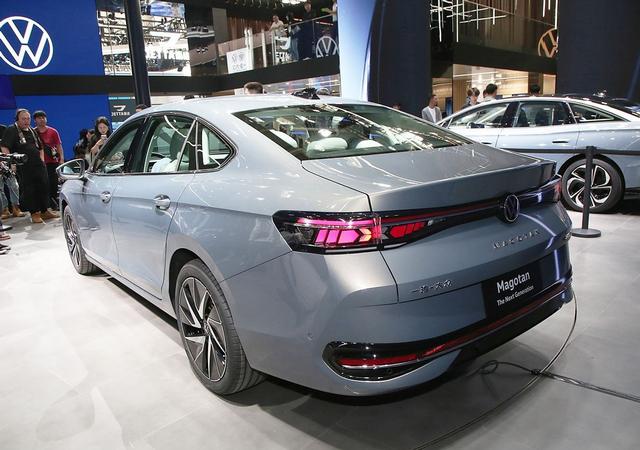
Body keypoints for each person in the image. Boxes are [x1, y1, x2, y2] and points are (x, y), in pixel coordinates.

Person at [0, 109, 59, 224]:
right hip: (24, 166)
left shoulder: (32, 130)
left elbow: (40, 147)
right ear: (17, 119)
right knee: (30, 189)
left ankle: (44, 211)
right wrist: (11, 162)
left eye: (28, 119)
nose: (26, 121)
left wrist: (42, 161)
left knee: (43, 186)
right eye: (23, 119)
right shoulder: (11, 130)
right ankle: (34, 213)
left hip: (38, 164)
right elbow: (4, 146)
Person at [33, 110, 64, 209]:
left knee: (53, 183)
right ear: (35, 120)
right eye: (39, 118)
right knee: (42, 184)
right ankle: (45, 205)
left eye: (43, 117)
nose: (42, 120)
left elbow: (59, 146)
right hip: (39, 163)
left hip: (52, 162)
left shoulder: (53, 131)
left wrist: (61, 159)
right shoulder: (33, 132)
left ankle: (53, 203)